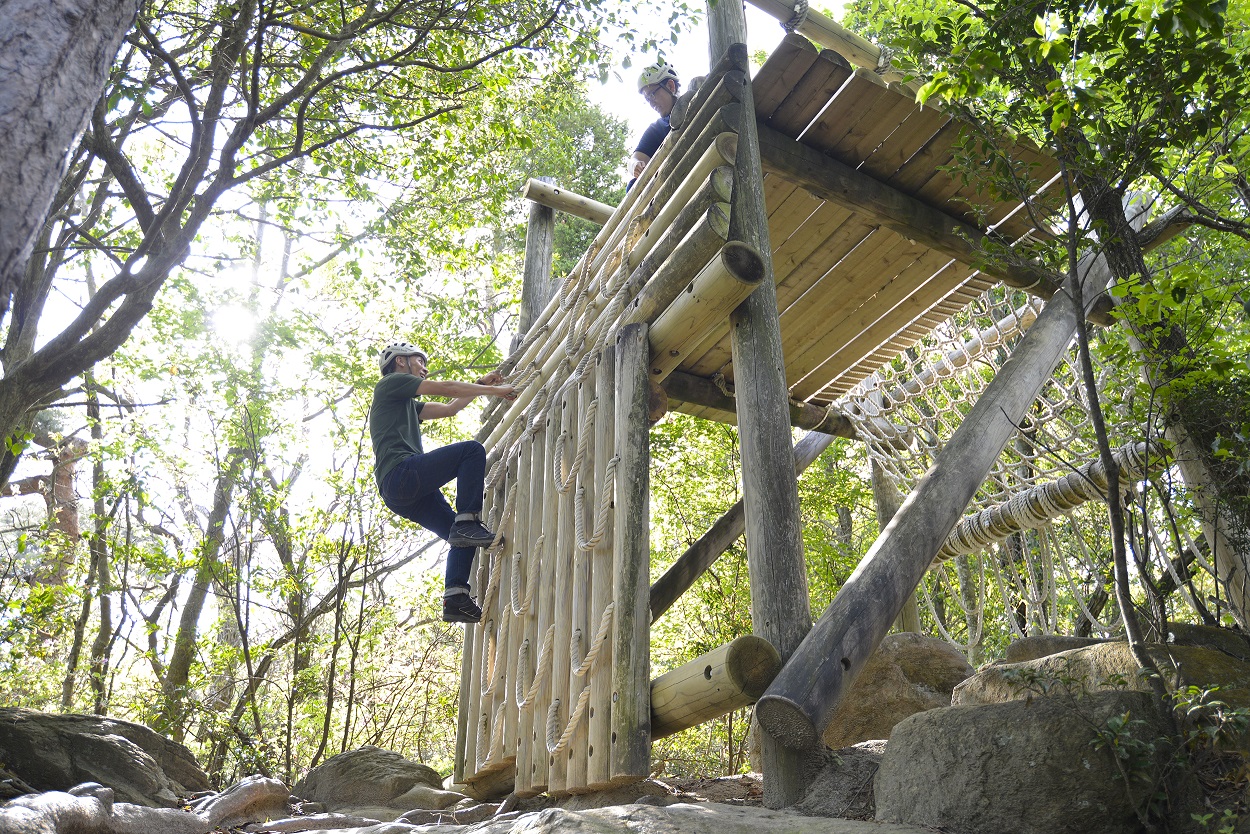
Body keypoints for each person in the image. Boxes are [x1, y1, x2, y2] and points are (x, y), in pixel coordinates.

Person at [370, 341, 518, 624]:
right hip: (400, 474)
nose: (424, 369)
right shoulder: (389, 384)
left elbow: (451, 407)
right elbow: (448, 387)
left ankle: (455, 597)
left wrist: (479, 384)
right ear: (400, 362)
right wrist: (496, 391)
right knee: (471, 452)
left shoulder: (405, 405)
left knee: (459, 535)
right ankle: (468, 524)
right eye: (419, 361)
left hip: (400, 492)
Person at [628, 61, 681, 189]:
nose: (651, 103)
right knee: (633, 185)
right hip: (672, 186)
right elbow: (634, 159)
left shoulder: (697, 102)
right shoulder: (657, 129)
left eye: (652, 94)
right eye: (647, 99)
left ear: (670, 86)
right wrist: (635, 166)